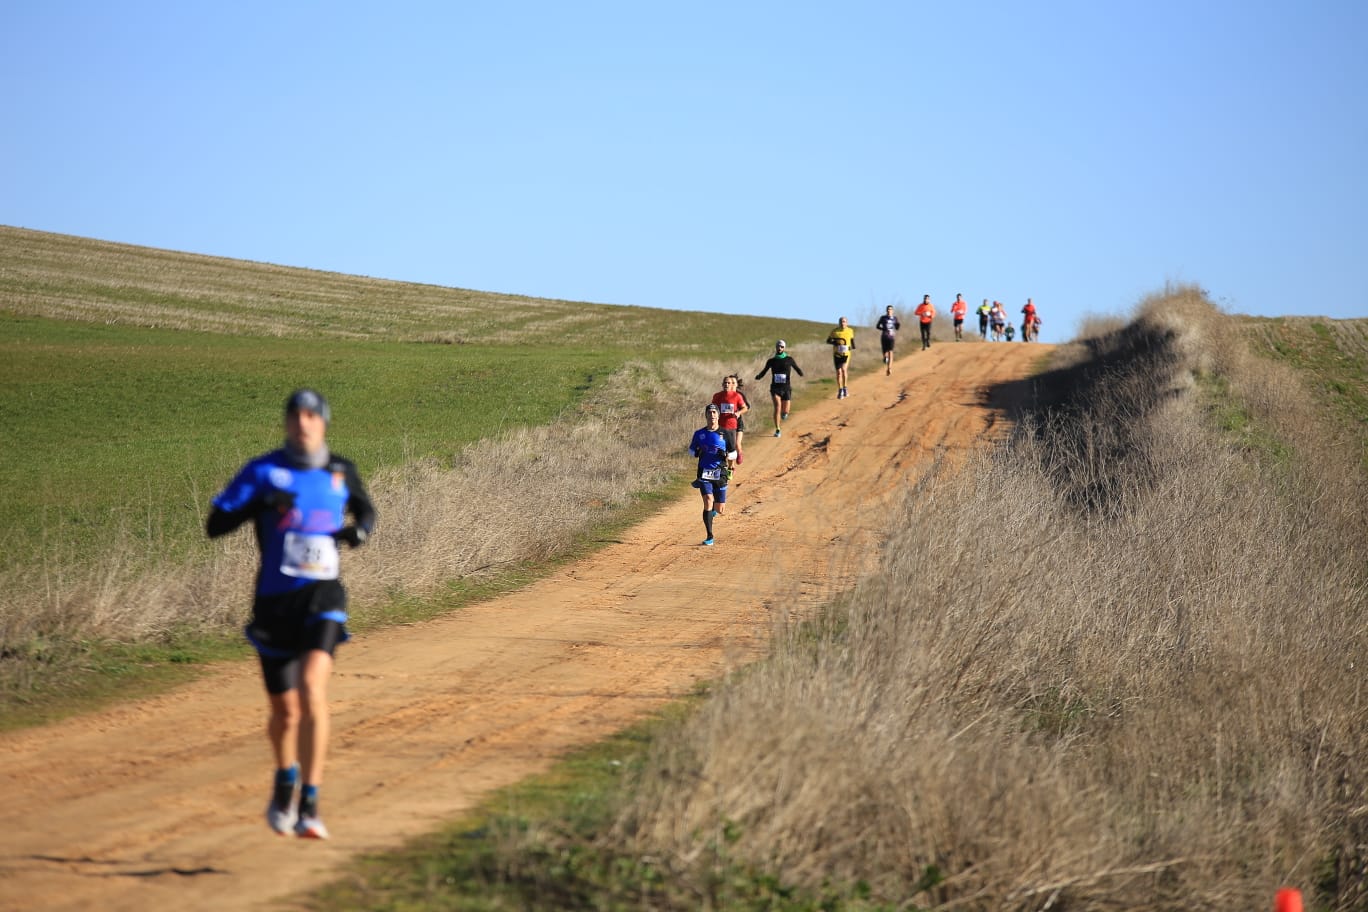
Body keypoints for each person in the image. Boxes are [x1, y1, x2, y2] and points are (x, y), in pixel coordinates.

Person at [206, 389, 377, 840]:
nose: (303, 423)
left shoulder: (340, 471)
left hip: (323, 598)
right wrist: (263, 504)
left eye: (311, 416)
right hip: (274, 602)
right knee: (284, 712)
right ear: (285, 423)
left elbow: (367, 510)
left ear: (323, 423)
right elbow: (215, 525)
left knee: (312, 691)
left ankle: (311, 803)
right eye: (295, 416)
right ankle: (285, 781)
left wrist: (358, 531)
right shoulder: (263, 471)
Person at [688, 403, 733, 546]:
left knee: (719, 509)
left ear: (718, 415)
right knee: (708, 499)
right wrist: (697, 452)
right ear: (706, 415)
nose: (712, 415)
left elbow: (733, 454)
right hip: (704, 471)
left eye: (714, 412)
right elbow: (691, 451)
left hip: (720, 472)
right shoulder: (699, 434)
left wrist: (725, 454)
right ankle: (709, 535)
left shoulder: (726, 433)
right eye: (709, 412)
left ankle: (714, 508)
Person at [755, 339, 804, 437]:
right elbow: (764, 370)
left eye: (781, 346)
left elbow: (796, 368)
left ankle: (784, 414)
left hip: (786, 388)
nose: (779, 348)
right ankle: (777, 429)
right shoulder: (771, 361)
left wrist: (800, 373)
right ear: (776, 347)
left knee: (785, 411)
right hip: (775, 388)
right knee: (777, 407)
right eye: (778, 346)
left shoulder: (789, 359)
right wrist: (759, 376)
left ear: (784, 348)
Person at [710, 374, 749, 468]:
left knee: (732, 448)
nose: (727, 384)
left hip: (732, 426)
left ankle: (731, 467)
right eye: (725, 383)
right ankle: (720, 466)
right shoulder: (717, 395)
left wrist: (738, 413)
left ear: (732, 385)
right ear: (722, 384)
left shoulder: (737, 396)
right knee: (719, 448)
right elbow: (713, 408)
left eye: (729, 383)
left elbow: (745, 408)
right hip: (718, 426)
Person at [825, 316, 856, 399]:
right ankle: (840, 390)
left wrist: (852, 347)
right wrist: (835, 342)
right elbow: (828, 341)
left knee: (843, 370)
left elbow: (852, 340)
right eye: (842, 322)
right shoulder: (835, 331)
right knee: (838, 373)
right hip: (837, 354)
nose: (843, 323)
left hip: (846, 354)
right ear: (839, 323)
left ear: (847, 323)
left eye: (844, 321)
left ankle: (845, 387)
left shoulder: (850, 331)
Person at [875, 304, 901, 375]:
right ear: (886, 311)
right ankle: (885, 358)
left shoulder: (895, 318)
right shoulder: (883, 318)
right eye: (888, 309)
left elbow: (897, 327)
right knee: (884, 352)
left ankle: (889, 368)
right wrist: (883, 328)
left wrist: (898, 325)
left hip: (891, 337)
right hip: (884, 336)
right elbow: (877, 326)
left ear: (893, 311)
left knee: (891, 352)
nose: (889, 311)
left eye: (891, 309)